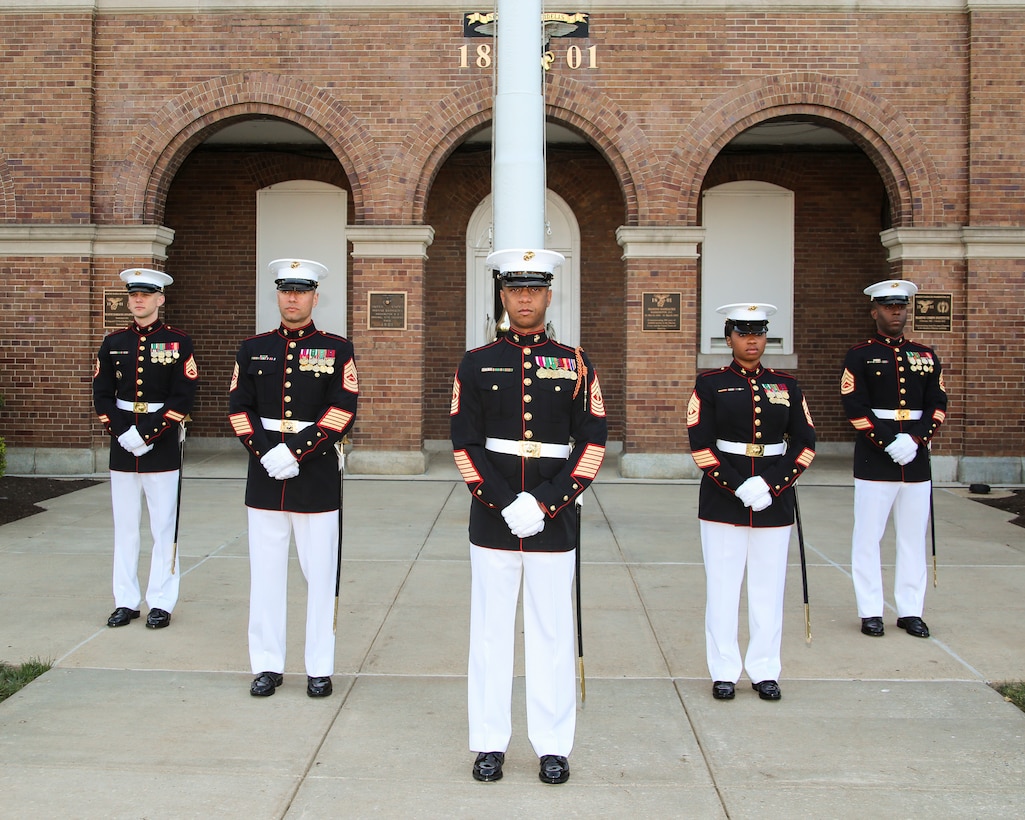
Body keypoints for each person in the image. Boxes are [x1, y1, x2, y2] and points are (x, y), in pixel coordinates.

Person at [450, 248, 608, 785]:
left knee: (551, 633)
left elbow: (592, 443)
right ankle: (490, 742)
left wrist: (542, 503)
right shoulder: (475, 362)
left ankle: (553, 745)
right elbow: (464, 443)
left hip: (554, 518)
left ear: (548, 294)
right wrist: (503, 502)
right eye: (516, 288)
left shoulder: (576, 361)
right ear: (502, 294)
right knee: (491, 635)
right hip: (493, 519)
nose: (525, 298)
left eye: (535, 288)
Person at [228, 258, 358, 698]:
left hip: (315, 475)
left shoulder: (337, 349)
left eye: (301, 291)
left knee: (320, 576)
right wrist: (268, 454)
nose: (292, 298)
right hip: (265, 475)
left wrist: (296, 452)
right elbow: (239, 409)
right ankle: (267, 664)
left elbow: (342, 410)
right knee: (265, 576)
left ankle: (319, 666)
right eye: (286, 290)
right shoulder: (252, 348)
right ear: (277, 294)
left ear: (315, 297)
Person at [687, 304, 816, 702]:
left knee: (768, 589)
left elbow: (805, 443)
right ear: (729, 339)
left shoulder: (787, 386)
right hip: (724, 501)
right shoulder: (709, 384)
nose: (752, 341)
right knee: (723, 590)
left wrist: (772, 485)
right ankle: (724, 670)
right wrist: (739, 485)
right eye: (743, 333)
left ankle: (764, 670)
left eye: (758, 333)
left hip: (774, 502)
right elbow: (701, 445)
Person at [93, 268, 199, 630]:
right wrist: (123, 432)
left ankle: (161, 601)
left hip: (163, 442)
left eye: (146, 294)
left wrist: (148, 434)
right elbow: (102, 394)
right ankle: (125, 600)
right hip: (122, 442)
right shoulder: (113, 342)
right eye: (134, 295)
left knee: (163, 527)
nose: (138, 300)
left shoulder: (178, 342)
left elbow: (183, 396)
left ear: (160, 299)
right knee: (125, 527)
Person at [841, 279, 947, 639]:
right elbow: (854, 406)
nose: (896, 312)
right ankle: (871, 610)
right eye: (888, 306)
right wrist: (888, 441)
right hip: (876, 458)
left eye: (901, 306)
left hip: (915, 459)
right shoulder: (859, 355)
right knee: (869, 537)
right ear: (875, 311)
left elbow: (937, 404)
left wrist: (915, 439)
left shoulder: (926, 355)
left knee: (913, 538)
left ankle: (910, 610)